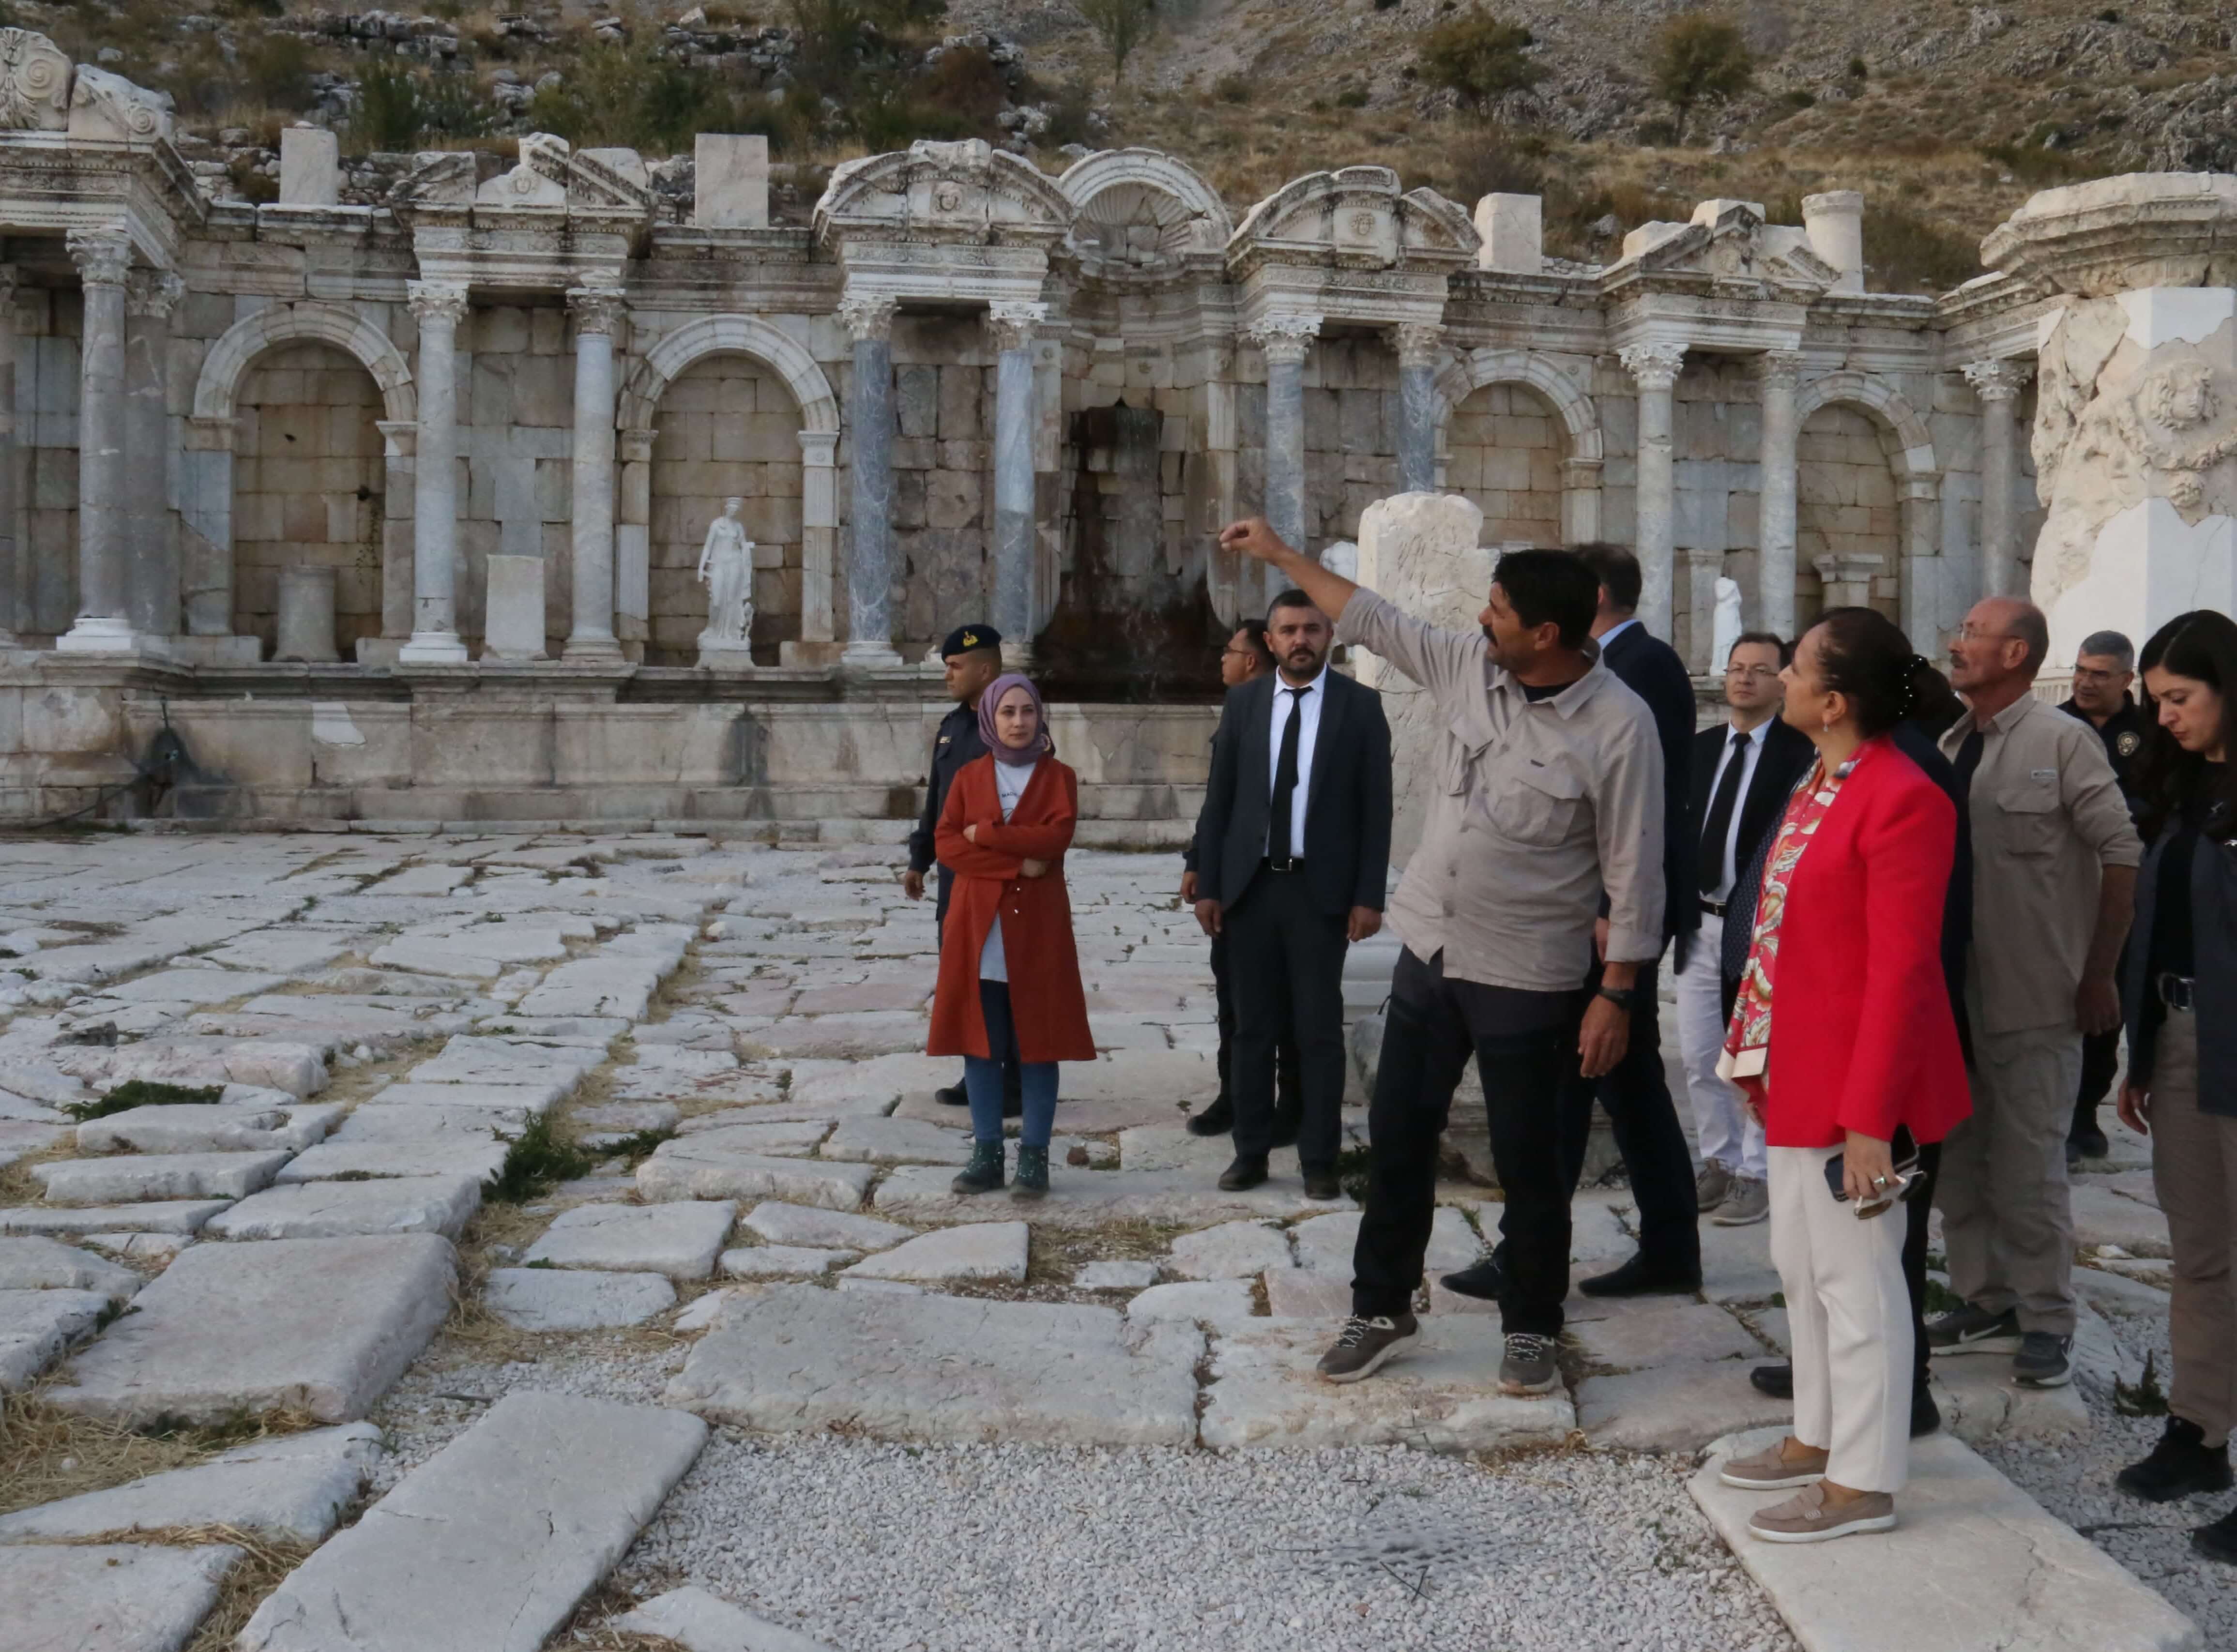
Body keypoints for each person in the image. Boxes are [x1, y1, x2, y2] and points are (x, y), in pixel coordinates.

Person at [1217, 519, 1662, 1397]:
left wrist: (1616, 992)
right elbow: (1373, 616)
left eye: (1497, 611)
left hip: (1529, 970)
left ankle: (1532, 1322)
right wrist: (1280, 557)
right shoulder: (1471, 665)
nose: (1482, 620)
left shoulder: (1619, 726)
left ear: (1545, 634)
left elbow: (1633, 865)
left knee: (1530, 1160)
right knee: (1396, 1139)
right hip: (1431, 949)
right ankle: (1381, 1304)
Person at [1714, 607, 1970, 1544]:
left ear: (1832, 700)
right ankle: (1817, 1434)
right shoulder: (1820, 778)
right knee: (1801, 1264)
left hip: (1859, 1083)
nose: (1777, 677)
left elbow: (1905, 970)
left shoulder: (1906, 795)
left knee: (1860, 1280)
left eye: (1796, 669)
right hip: (1796, 1066)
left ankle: (1864, 1479)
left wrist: (1871, 1119)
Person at [1443, 542, 1703, 1303]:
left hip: (1600, 921)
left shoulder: (1637, 672)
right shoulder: (1621, 663)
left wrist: (1608, 919)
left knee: (1590, 1088)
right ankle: (1629, 1245)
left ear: (1581, 601)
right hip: (1590, 918)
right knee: (1607, 1091)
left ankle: (1561, 1252)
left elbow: (1629, 816)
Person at [1931, 597, 2142, 1391]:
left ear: (2014, 651)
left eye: (1971, 634)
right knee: (1959, 1161)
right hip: (1954, 998)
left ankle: (2046, 1317)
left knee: (2027, 1170)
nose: (1956, 643)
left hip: (2035, 998)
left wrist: (2098, 974)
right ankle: (1985, 1297)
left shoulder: (2062, 741)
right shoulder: (1953, 741)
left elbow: (2122, 853)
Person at [1192, 586, 1393, 1197]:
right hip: (1252, 888)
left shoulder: (1360, 707)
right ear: (1270, 640)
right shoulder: (1246, 703)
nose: (1300, 639)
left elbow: (1375, 808)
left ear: (1328, 636)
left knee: (1317, 1030)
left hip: (1319, 891)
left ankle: (1319, 1158)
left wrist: (1369, 894)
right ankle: (1250, 1151)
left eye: (1311, 628)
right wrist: (1209, 879)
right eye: (1288, 630)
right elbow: (1221, 796)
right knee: (1251, 1029)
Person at [2111, 610, 2237, 1563]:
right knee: (2200, 1250)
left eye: (2180, 699)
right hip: (2187, 1034)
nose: (2166, 718)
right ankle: (2199, 1429)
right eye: (2156, 703)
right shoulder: (2185, 787)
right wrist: (2143, 1052)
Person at [928, 673, 1095, 1198]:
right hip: (977, 930)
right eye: (1008, 712)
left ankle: (1034, 1157)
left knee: (1038, 1046)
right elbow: (948, 844)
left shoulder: (1059, 777)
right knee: (980, 1045)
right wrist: (1017, 862)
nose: (1019, 721)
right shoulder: (969, 776)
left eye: (1027, 711)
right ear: (991, 718)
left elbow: (1056, 836)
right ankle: (986, 1153)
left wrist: (991, 836)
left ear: (1039, 716)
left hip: (1038, 933)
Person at [1678, 631, 1813, 1228]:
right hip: (1696, 921)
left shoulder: (1798, 753)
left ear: (1782, 679)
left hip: (1760, 928)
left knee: (1756, 1054)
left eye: (1760, 669)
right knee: (1699, 1053)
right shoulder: (1701, 748)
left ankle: (1757, 1171)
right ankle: (1719, 1158)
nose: (1744, 679)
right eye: (1736, 667)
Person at [1182, 621, 1303, 1140]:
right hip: (1233, 879)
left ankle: (1291, 1104)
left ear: (1252, 661)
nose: (1221, 660)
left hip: (1281, 877)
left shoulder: (1282, 716)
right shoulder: (1237, 714)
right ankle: (1235, 1094)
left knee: (1292, 1003)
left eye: (1229, 651)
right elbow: (1218, 801)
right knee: (1233, 997)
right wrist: (1198, 862)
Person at [904, 623, 1022, 1117]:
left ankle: (1015, 1078)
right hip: (956, 877)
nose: (948, 676)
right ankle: (978, 1068)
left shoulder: (1014, 724)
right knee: (964, 975)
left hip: (999, 877)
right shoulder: (952, 725)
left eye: (955, 667)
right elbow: (938, 797)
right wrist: (920, 856)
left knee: (1005, 978)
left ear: (985, 669)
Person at [2060, 629, 2147, 1163]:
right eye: (2080, 670)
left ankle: (2084, 1109)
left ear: (2125, 679)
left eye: (2098, 674)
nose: (2085, 682)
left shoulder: (2149, 731)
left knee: (2108, 995)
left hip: (2124, 882)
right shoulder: (2055, 723)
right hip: (2064, 883)